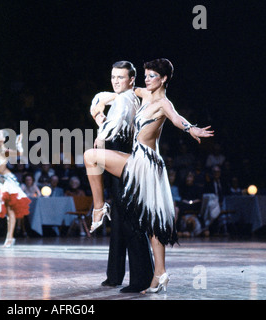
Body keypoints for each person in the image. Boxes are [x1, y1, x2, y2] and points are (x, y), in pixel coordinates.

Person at [86, 58, 214, 293]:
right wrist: (100, 118)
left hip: (145, 162)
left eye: (153, 75)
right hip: (138, 160)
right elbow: (104, 96)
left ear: (164, 78)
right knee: (153, 220)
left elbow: (177, 120)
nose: (148, 79)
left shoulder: (163, 102)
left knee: (91, 156)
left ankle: (98, 208)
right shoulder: (142, 94)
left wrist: (191, 129)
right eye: (146, 75)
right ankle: (160, 274)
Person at [89, 60, 155, 293]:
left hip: (126, 159)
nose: (116, 81)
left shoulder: (128, 99)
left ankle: (142, 278)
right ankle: (114, 275)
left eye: (121, 77)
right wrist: (99, 120)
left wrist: (101, 128)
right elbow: (97, 99)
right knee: (118, 221)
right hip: (113, 157)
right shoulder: (118, 97)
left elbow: (113, 127)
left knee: (129, 220)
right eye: (113, 76)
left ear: (131, 80)